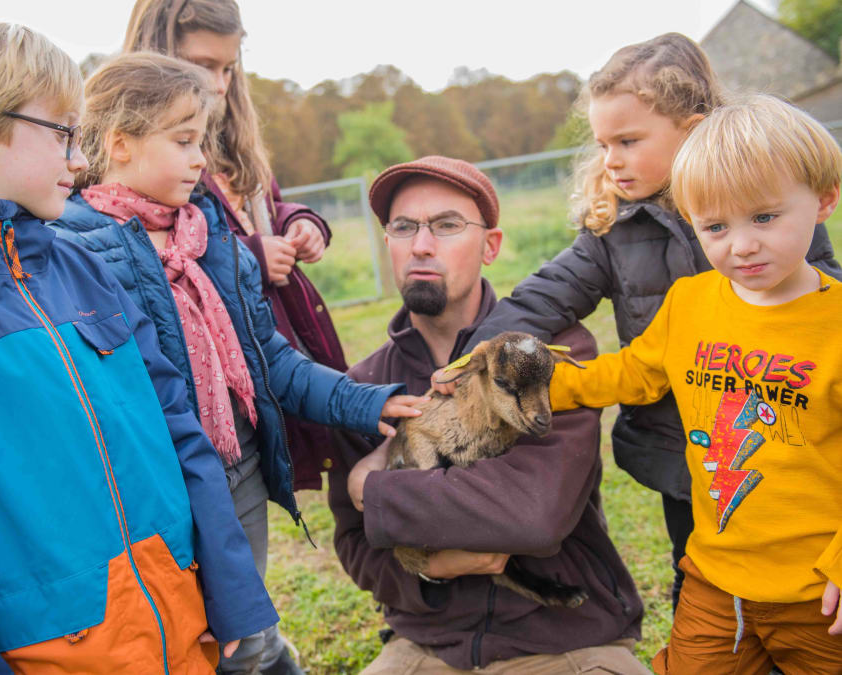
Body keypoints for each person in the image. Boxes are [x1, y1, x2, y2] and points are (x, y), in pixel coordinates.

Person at [48, 52, 426, 675]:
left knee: (243, 630)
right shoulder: (72, 246)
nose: (201, 160)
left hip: (239, 466)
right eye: (184, 142)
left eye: (202, 141)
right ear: (119, 143)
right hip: (153, 484)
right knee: (187, 633)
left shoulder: (214, 243)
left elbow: (271, 361)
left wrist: (368, 400)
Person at [458, 33, 842, 611]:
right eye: (603, 143)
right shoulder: (612, 231)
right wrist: (479, 356)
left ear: (689, 131)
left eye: (628, 140)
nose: (610, 159)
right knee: (699, 582)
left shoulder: (774, 206)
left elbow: (819, 297)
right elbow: (546, 296)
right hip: (679, 451)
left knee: (802, 595)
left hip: (790, 448)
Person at [0, 16, 278, 673]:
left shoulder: (88, 268)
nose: (79, 157)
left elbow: (179, 428)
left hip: (180, 630)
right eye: (63, 133)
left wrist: (233, 590)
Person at [549, 94, 842, 674]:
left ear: (824, 199)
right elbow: (635, 372)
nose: (741, 245)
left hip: (818, 594)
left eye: (764, 217)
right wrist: (542, 387)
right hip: (714, 578)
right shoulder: (691, 302)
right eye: (715, 226)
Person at [329, 155, 647, 673]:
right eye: (404, 227)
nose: (422, 245)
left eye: (448, 225)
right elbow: (353, 543)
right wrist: (431, 569)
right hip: (427, 647)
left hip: (563, 640)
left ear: (491, 245)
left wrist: (376, 491)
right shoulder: (362, 386)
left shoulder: (546, 352)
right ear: (386, 242)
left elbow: (534, 515)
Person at [123, 0, 348, 493]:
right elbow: (158, 253)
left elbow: (263, 204)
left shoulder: (232, 138)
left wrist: (300, 222)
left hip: (271, 335)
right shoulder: (142, 159)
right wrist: (251, 255)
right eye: (204, 66)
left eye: (229, 68)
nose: (221, 84)